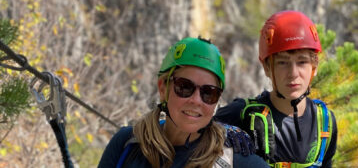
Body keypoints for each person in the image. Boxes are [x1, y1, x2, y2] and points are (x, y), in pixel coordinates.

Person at [98, 36, 269, 168]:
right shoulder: (127, 144)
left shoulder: (233, 159)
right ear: (163, 88)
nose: (196, 100)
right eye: (185, 87)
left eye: (208, 93)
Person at [214, 10, 338, 167]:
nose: (293, 74)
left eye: (302, 62)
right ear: (266, 67)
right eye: (282, 63)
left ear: (314, 66)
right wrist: (220, 130)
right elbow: (191, 137)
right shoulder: (242, 114)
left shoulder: (325, 122)